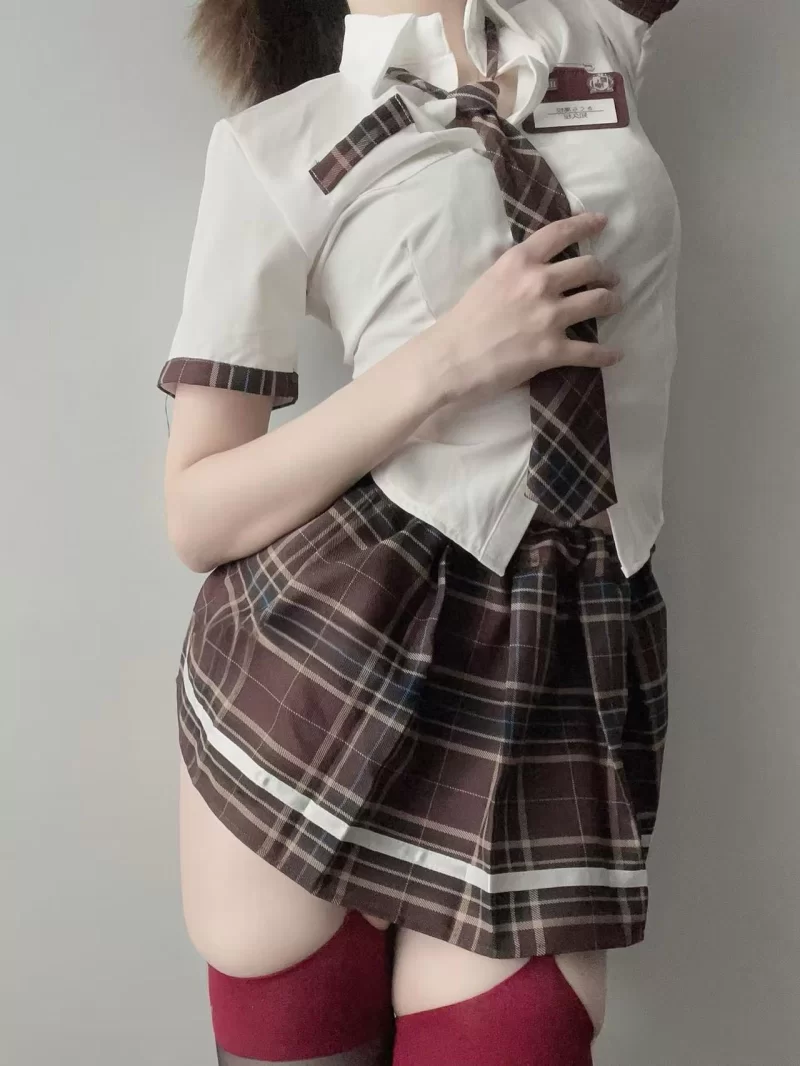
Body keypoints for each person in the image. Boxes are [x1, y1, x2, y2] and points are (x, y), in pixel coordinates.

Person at [158, 1, 680, 1062]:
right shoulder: (278, 144)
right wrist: (446, 363)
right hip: (325, 668)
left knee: (518, 1029)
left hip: (557, 658)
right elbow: (196, 511)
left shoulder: (589, 33)